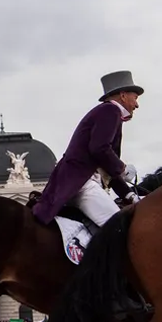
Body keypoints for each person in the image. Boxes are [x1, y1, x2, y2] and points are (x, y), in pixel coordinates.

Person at [32, 70, 143, 227]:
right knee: (119, 227)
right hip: (82, 183)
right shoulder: (110, 110)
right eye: (135, 98)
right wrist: (123, 168)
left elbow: (105, 164)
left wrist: (129, 194)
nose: (137, 104)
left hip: (77, 182)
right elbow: (99, 149)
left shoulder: (107, 112)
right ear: (123, 95)